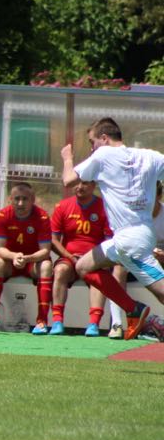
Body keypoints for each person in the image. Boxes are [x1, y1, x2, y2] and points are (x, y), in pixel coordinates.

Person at [61, 117, 164, 341]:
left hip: (131, 242)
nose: (91, 148)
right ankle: (134, 310)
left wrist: (67, 159)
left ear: (104, 139)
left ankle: (135, 311)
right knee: (83, 266)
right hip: (132, 237)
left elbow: (68, 180)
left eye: (92, 142)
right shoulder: (150, 156)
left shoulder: (103, 154)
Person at [0, 182, 53, 334]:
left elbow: (45, 251)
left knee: (47, 266)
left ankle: (42, 321)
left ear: (33, 199)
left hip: (31, 263)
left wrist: (27, 259)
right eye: (17, 199)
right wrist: (14, 256)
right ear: (10, 199)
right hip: (10, 262)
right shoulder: (3, 215)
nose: (20, 203)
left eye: (25, 199)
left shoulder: (42, 216)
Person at [48, 180, 112, 336]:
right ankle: (57, 321)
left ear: (93, 185)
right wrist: (69, 256)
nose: (80, 187)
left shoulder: (105, 207)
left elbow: (109, 240)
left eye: (84, 183)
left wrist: (93, 258)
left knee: (99, 277)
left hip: (94, 260)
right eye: (76, 183)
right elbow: (53, 239)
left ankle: (94, 324)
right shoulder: (62, 206)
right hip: (70, 258)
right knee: (60, 270)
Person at [107, 182, 164, 338]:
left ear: (159, 196)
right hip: (135, 263)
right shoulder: (132, 215)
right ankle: (116, 324)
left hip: (158, 266)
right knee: (119, 268)